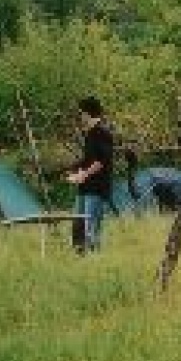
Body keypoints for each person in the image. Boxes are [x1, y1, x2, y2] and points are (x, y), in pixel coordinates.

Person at [66, 96, 114, 254]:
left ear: (88, 113)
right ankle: (79, 256)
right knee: (78, 223)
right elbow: (88, 160)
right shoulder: (89, 134)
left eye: (81, 113)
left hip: (97, 188)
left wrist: (83, 174)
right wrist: (74, 171)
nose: (80, 116)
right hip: (84, 187)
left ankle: (94, 258)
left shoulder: (102, 133)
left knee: (91, 225)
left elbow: (101, 162)